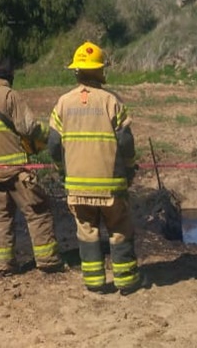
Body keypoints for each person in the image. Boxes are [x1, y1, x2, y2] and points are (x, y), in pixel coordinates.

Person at [47, 42, 141, 295]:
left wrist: (62, 170)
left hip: (77, 187)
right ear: (100, 70)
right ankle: (126, 281)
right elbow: (126, 141)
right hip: (110, 186)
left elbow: (54, 143)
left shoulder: (63, 103)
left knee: (86, 231)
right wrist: (130, 169)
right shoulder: (112, 102)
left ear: (76, 71)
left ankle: (95, 283)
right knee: (119, 229)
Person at [0, 57, 64, 276]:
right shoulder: (11, 96)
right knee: (38, 211)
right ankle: (48, 260)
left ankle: (5, 267)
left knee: (2, 219)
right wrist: (48, 136)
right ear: (10, 76)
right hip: (17, 171)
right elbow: (28, 126)